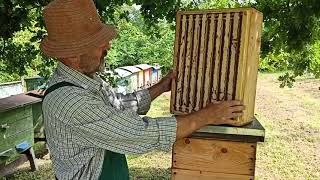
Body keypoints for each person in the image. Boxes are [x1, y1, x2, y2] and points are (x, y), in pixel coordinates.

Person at [40, 0, 245, 179]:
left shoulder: (87, 81)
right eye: (98, 43)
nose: (108, 47)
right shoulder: (69, 100)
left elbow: (118, 106)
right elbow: (139, 133)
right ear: (73, 55)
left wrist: (161, 87)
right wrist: (206, 116)